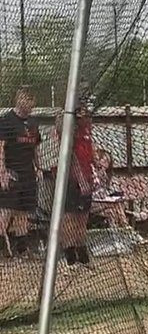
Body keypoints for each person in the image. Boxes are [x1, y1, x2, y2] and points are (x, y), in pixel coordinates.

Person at [54, 97, 99, 267]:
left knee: (82, 218)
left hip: (87, 177)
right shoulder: (67, 126)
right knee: (70, 219)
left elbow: (90, 148)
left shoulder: (86, 126)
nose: (85, 113)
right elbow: (70, 156)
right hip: (71, 179)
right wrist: (80, 179)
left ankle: (82, 255)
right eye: (81, 110)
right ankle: (70, 258)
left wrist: (97, 164)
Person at [0, 86, 42, 257]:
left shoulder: (32, 123)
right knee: (6, 209)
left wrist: (38, 167)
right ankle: (2, 246)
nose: (29, 103)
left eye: (31, 100)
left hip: (28, 173)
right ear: (18, 99)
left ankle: (22, 248)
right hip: (12, 171)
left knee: (24, 211)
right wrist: (1, 171)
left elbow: (36, 148)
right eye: (26, 99)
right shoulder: (7, 121)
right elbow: (0, 147)